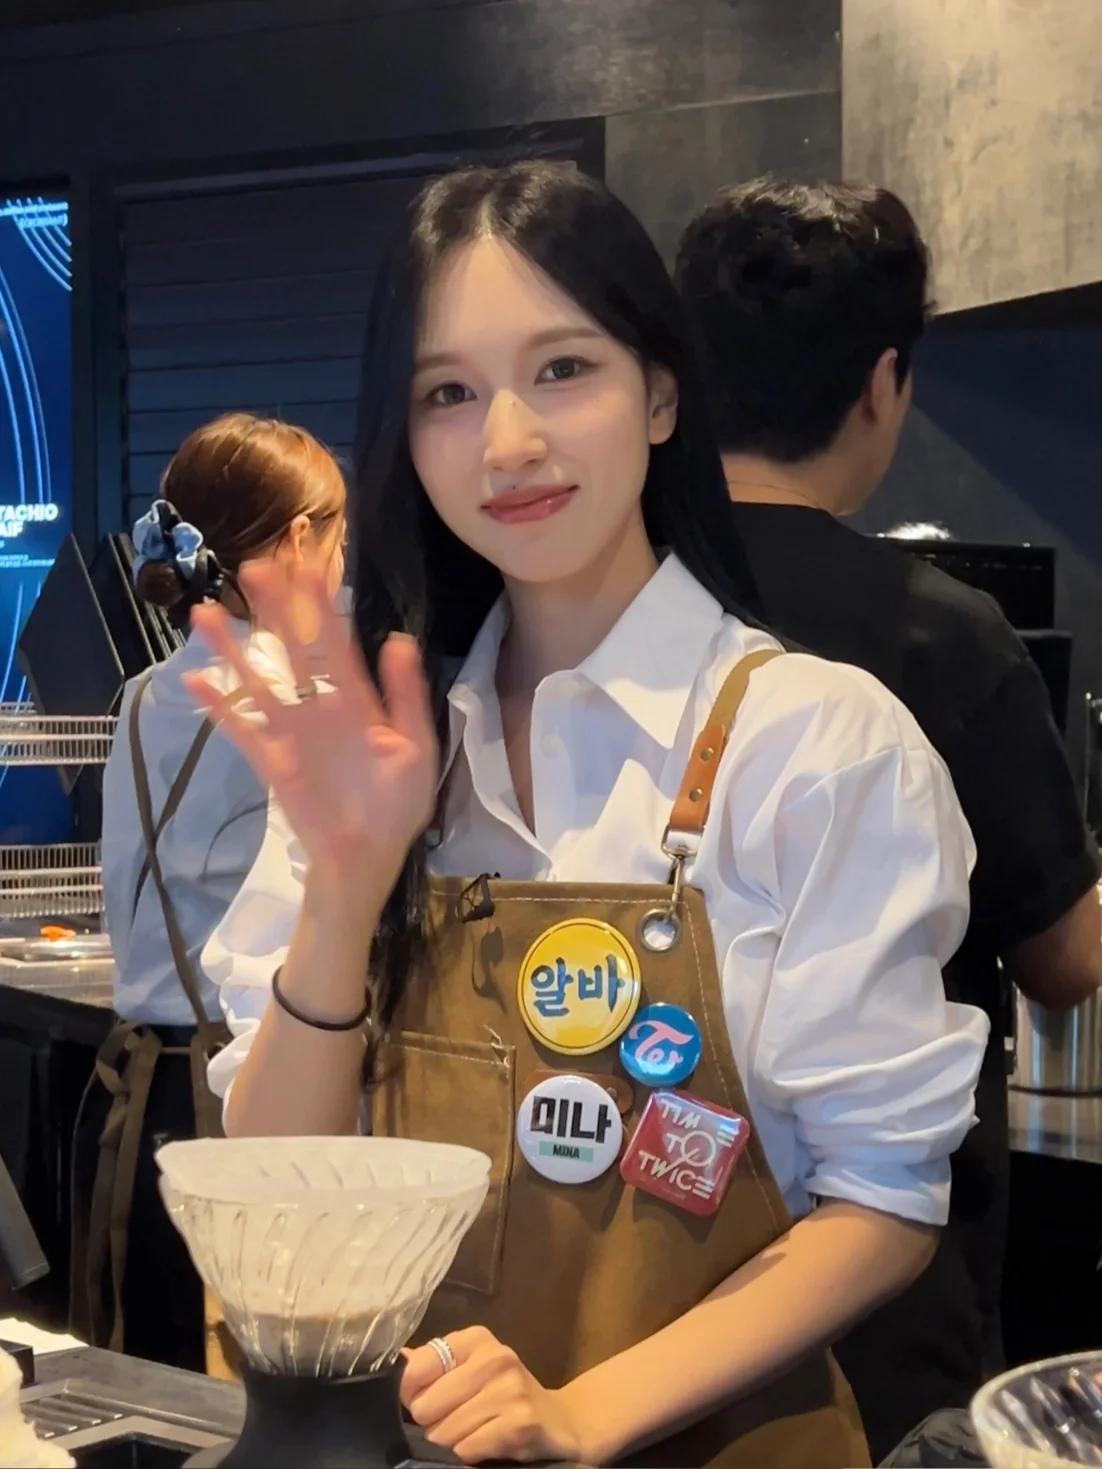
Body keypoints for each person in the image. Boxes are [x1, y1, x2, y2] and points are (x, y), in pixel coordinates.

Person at [191, 162, 987, 1468]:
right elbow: (278, 1178)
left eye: (562, 368)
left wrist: (583, 1411)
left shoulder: (812, 743)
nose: (505, 441)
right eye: (447, 392)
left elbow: (884, 1201)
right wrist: (344, 882)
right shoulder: (377, 749)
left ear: (661, 393)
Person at [675, 177, 1102, 1460]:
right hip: (874, 1274)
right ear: (881, 384)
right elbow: (1065, 959)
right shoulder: (940, 635)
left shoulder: (605, 599)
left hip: (628, 1227)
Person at [72, 412, 347, 1369]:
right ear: (302, 541)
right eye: (340, 536)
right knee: (248, 1399)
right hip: (246, 1105)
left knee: (146, 1386)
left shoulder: (141, 693)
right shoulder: (305, 707)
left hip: (130, 1100)